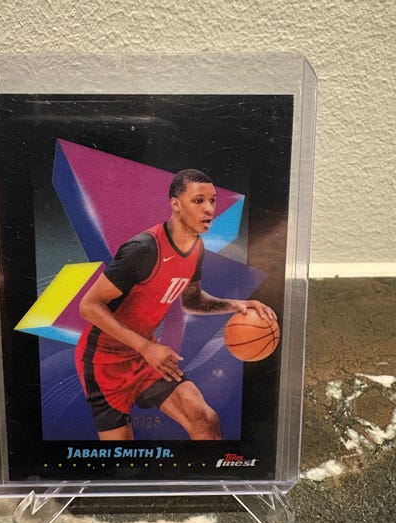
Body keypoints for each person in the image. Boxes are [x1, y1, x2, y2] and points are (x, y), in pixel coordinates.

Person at [76, 169, 276, 440]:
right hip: (103, 361)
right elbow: (89, 306)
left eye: (212, 200)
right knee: (122, 455)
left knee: (205, 420)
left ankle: (206, 471)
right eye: (198, 201)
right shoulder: (143, 249)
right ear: (176, 204)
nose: (209, 209)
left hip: (145, 356)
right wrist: (146, 347)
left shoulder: (196, 248)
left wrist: (236, 304)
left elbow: (192, 300)